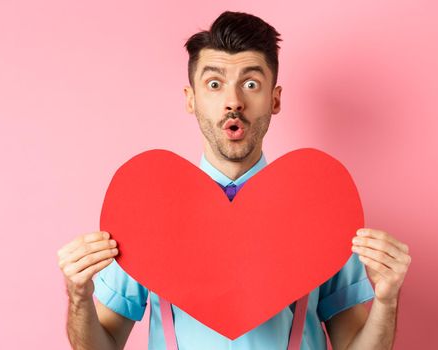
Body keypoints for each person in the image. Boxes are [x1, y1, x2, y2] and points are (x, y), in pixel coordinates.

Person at [57, 11, 411, 350]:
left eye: (251, 83)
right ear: (191, 100)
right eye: (214, 84)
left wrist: (386, 301)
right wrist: (79, 297)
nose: (233, 101)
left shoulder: (323, 210)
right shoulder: (147, 210)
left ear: (274, 99)